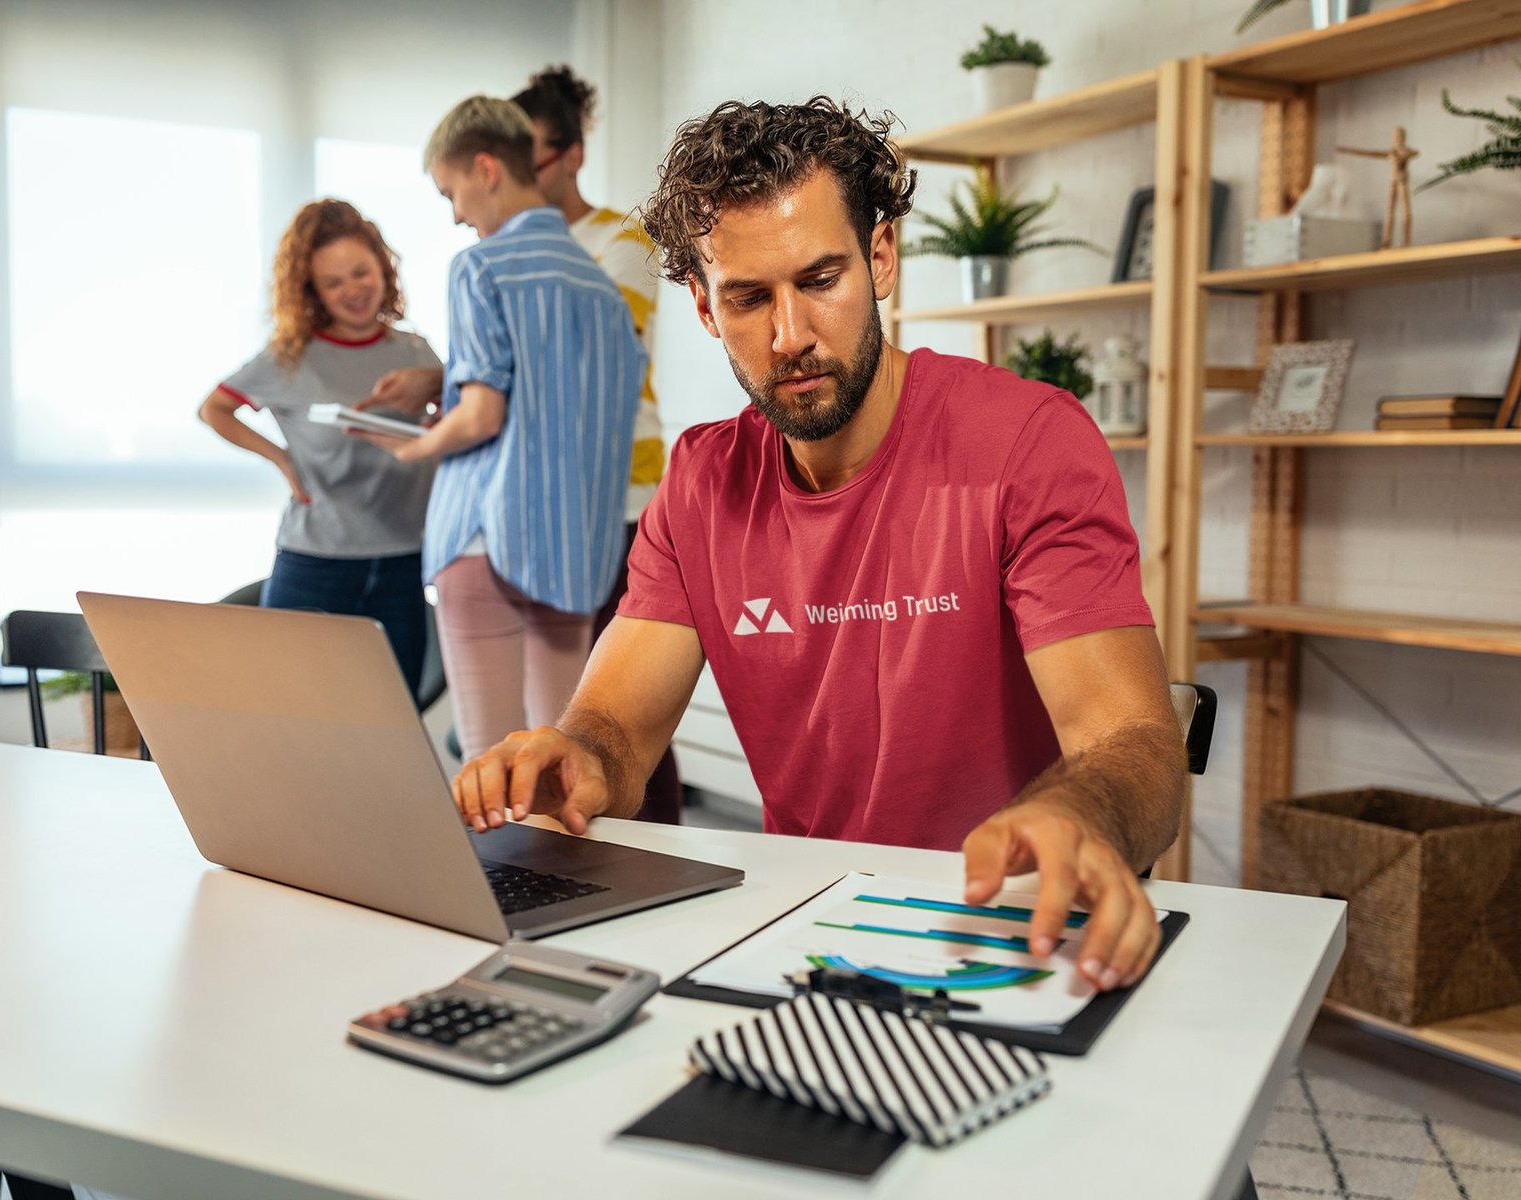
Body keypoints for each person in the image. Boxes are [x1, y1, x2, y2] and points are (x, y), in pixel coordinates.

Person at [449, 97, 1187, 994]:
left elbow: (1138, 742)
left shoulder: (1027, 441)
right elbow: (617, 736)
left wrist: (1081, 809)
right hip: (808, 925)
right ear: (704, 307)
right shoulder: (700, 482)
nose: (789, 335)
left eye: (820, 280)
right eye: (749, 298)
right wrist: (576, 757)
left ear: (881, 259)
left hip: (1006, 925)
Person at [358, 96, 644, 761]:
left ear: (486, 169)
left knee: (489, 767)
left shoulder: (480, 266)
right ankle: (560, 869)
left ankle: (498, 873)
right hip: (575, 548)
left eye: (451, 192)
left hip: (485, 537)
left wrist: (415, 446)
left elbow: (484, 415)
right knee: (563, 761)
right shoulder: (602, 291)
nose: (456, 214)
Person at [510, 64, 684, 825]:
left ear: (572, 154)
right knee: (567, 701)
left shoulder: (619, 238)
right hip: (549, 504)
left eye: (534, 158)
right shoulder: (513, 250)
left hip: (625, 497)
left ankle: (660, 842)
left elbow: (593, 352)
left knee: (628, 701)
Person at [199, 198, 440, 692]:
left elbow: (451, 426)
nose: (353, 290)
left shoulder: (416, 352)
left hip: (404, 563)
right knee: (292, 714)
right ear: (313, 290)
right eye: (334, 282)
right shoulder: (290, 357)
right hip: (316, 563)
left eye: (361, 272)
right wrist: (281, 458)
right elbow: (214, 409)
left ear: (383, 267)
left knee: (395, 726)